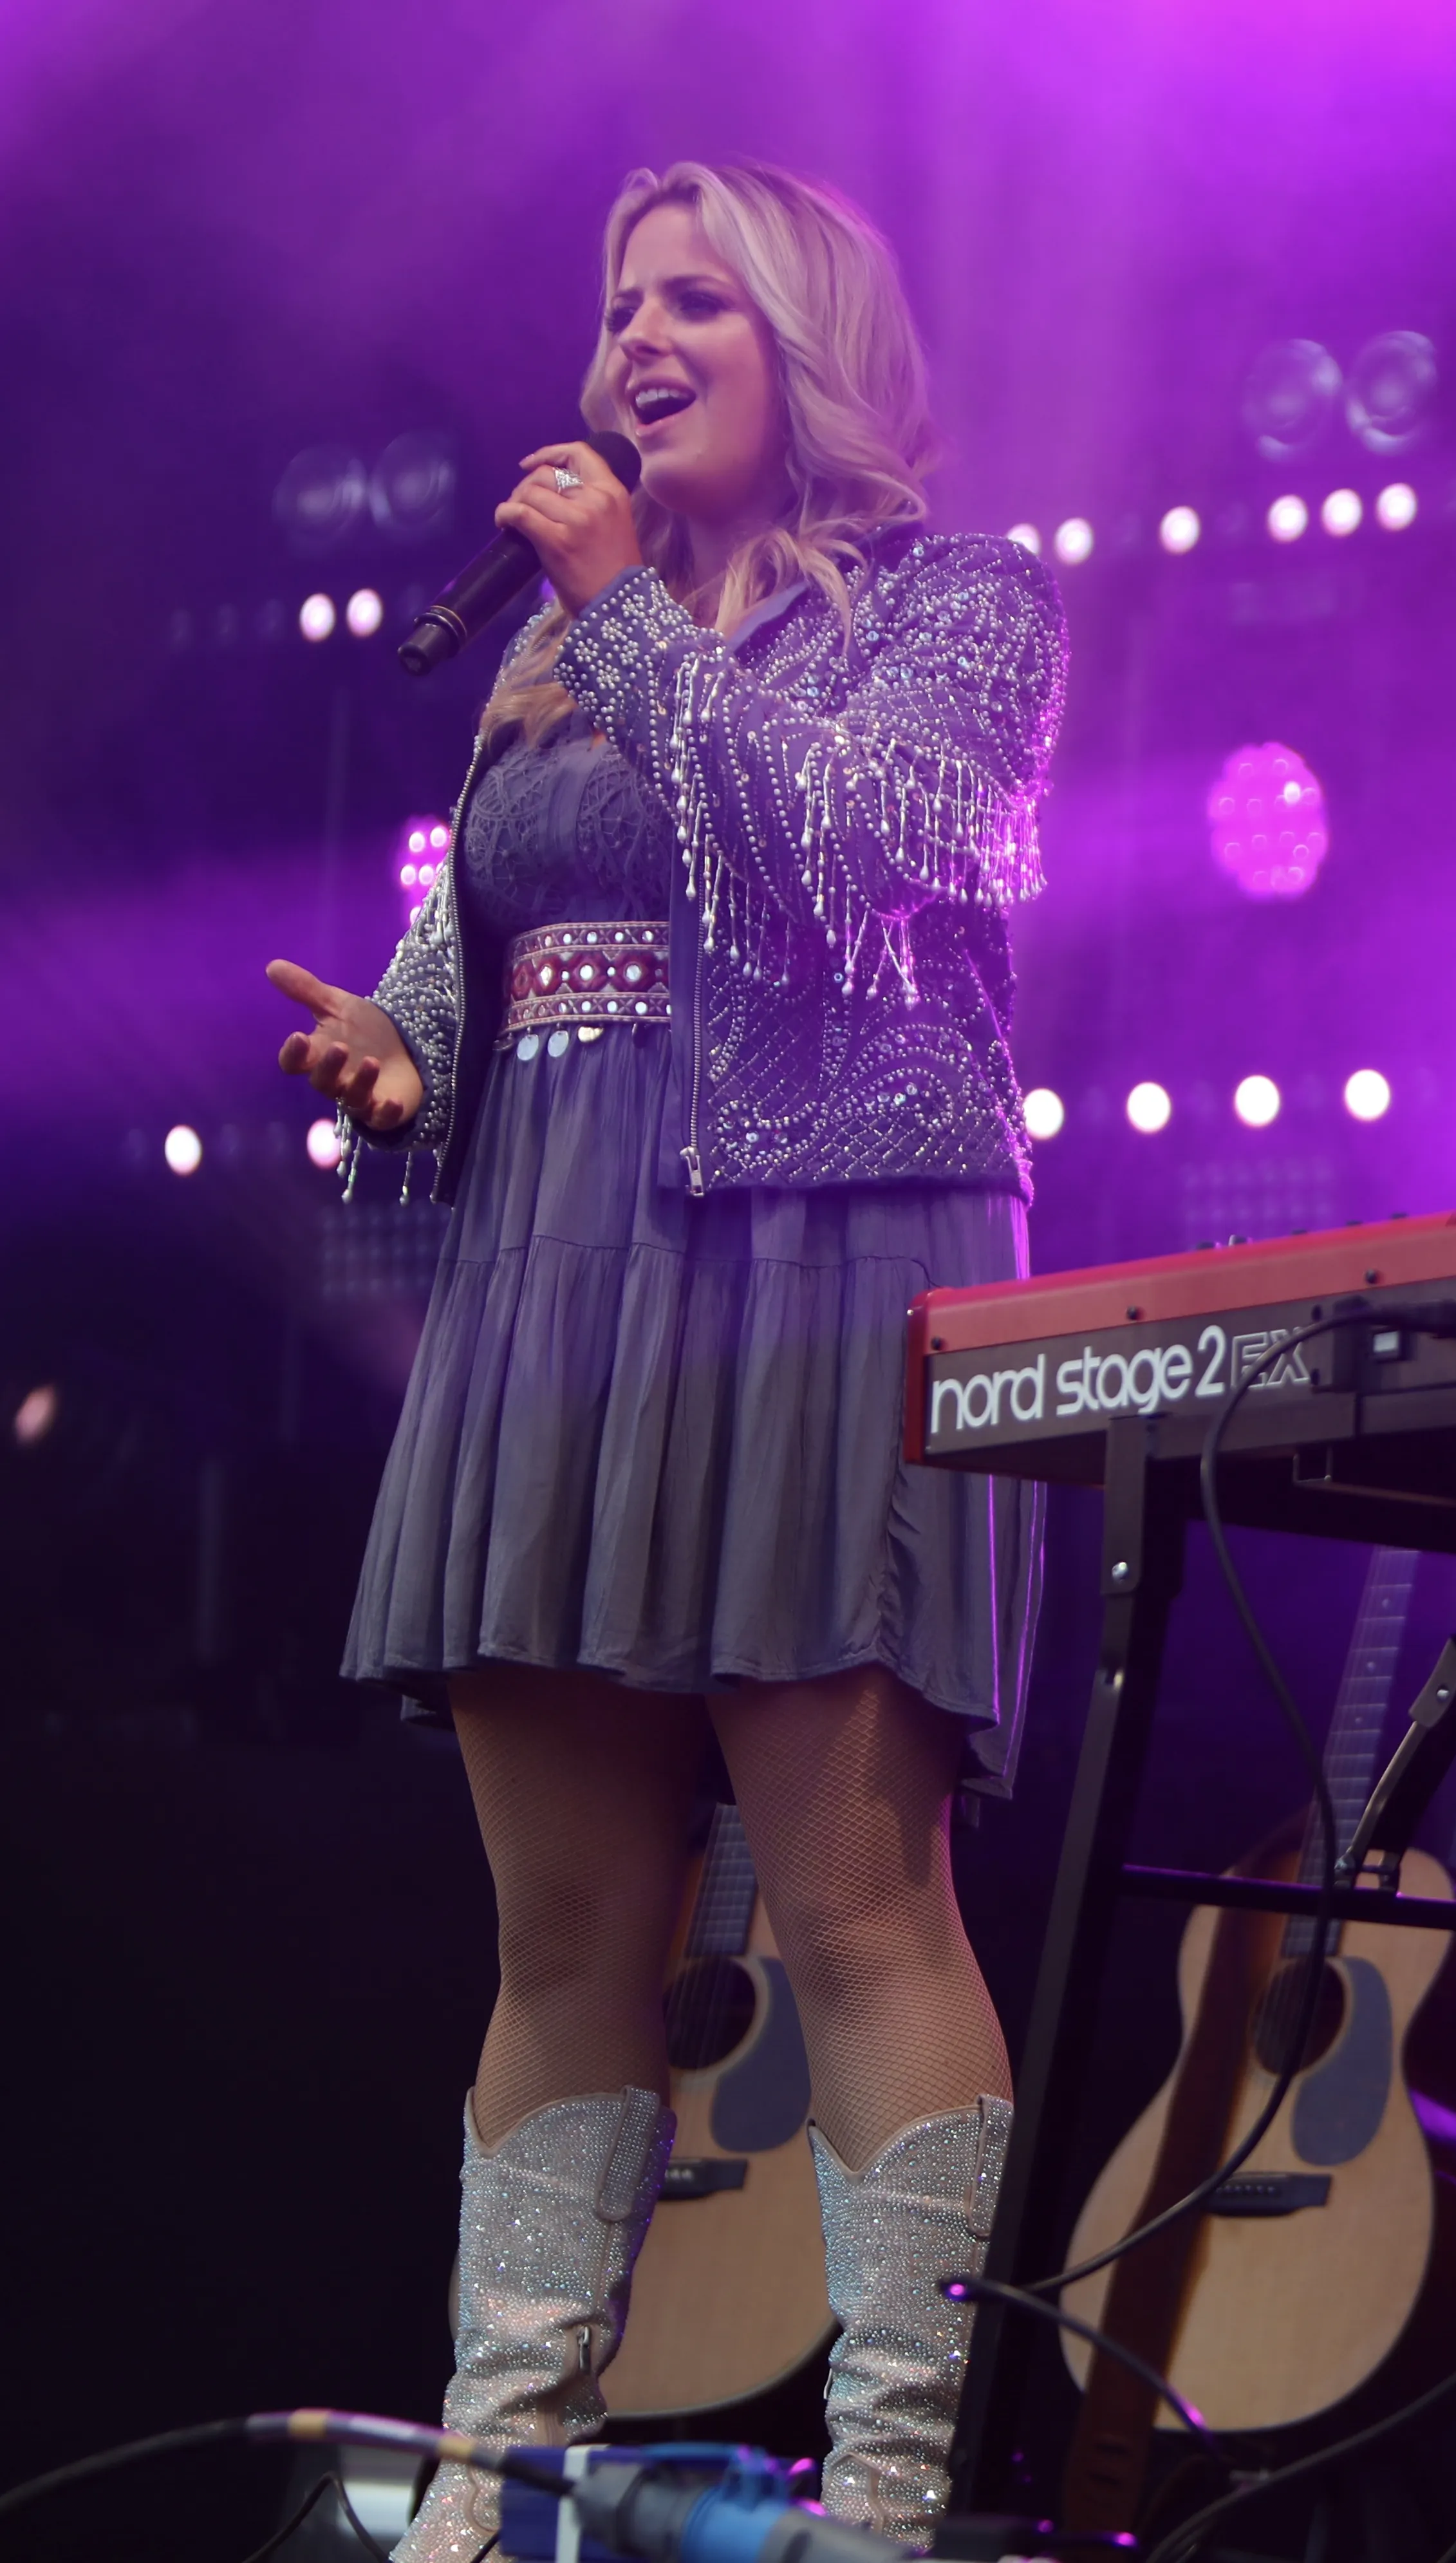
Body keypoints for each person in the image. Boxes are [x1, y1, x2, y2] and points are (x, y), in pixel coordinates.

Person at [268, 162, 1063, 2557]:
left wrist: (624, 614)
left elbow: (842, 859)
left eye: (697, 297)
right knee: (563, 1934)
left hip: (824, 1251)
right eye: (621, 299)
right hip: (556, 1270)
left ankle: (894, 2496)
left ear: (807, 341)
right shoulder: (552, 655)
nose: (638, 336)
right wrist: (408, 1051)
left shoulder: (958, 609)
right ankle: (492, 2482)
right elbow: (502, 927)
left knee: (852, 1905)